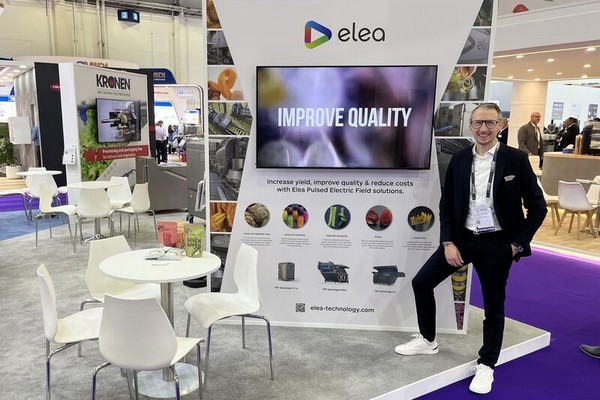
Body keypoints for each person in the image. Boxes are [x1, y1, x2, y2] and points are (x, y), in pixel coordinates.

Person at [394, 103, 547, 395]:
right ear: (470, 125)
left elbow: (538, 208)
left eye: (490, 123)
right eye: (478, 123)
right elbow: (447, 204)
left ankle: (487, 363)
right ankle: (428, 340)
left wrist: (517, 244)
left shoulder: (515, 160)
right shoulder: (460, 158)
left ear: (501, 125)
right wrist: (448, 242)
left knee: (493, 307)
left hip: (498, 244)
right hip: (463, 239)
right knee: (421, 282)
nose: (483, 128)